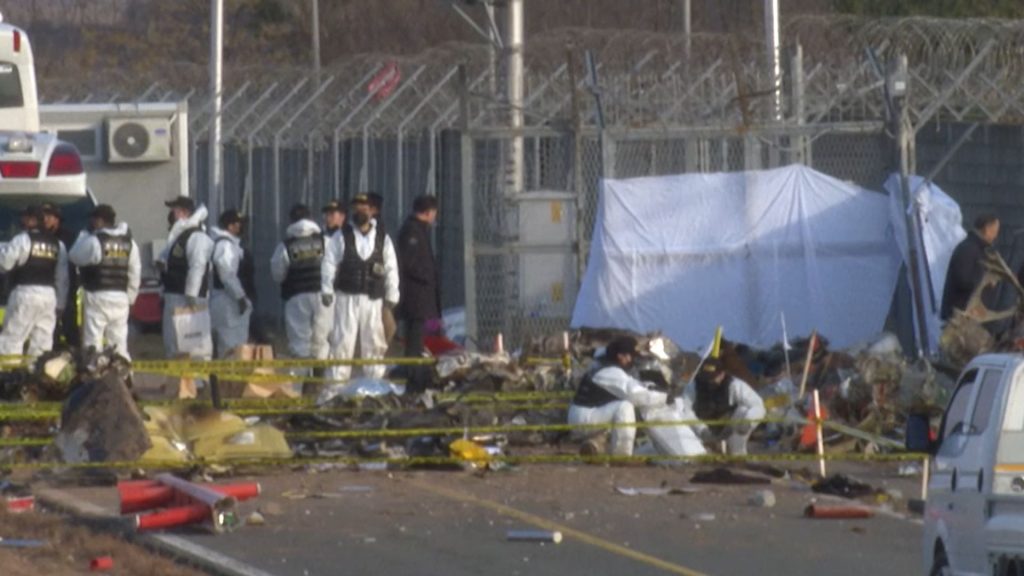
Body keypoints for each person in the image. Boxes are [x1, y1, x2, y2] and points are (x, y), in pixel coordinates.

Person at [568, 337, 705, 457]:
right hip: (584, 418)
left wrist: (653, 388)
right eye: (630, 356)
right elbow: (634, 394)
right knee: (624, 407)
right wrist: (664, 397)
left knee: (631, 406)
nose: (632, 359)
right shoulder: (608, 371)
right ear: (620, 356)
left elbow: (634, 385)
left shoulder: (607, 365)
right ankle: (621, 457)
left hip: (594, 413)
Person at [320, 194, 399, 390]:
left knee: (374, 343)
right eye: (356, 209)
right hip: (347, 297)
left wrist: (392, 295)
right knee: (342, 343)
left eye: (364, 208)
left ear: (372, 211)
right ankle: (334, 390)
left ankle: (375, 389)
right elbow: (329, 262)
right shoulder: (342, 236)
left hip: (373, 300)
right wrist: (327, 288)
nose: (360, 212)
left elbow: (391, 268)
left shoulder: (383, 239)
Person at [68, 204, 141, 359]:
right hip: (121, 297)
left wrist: (84, 235)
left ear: (100, 220)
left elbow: (74, 256)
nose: (91, 223)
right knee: (119, 342)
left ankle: (95, 377)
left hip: (97, 296)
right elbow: (135, 272)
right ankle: (123, 376)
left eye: (93, 220)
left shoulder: (95, 241)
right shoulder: (130, 243)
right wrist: (131, 298)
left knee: (93, 342)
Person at [0, 205, 68, 360]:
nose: (21, 220)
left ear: (32, 220)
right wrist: (61, 304)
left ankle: (9, 377)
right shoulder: (57, 244)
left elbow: (4, 264)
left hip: (25, 293)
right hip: (49, 297)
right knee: (42, 343)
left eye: (24, 217)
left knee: (12, 339)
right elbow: (62, 278)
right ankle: (38, 379)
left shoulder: (22, 240)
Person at [271, 204, 332, 363]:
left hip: (296, 296)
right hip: (323, 296)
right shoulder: (326, 241)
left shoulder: (285, 246)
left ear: (291, 221)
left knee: (299, 343)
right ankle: (320, 382)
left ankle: (300, 385)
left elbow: (277, 274)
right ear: (311, 219)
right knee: (322, 341)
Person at [156, 196, 213, 358]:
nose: (172, 214)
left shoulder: (197, 237)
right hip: (174, 294)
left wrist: (191, 295)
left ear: (185, 212)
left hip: (188, 299)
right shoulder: (179, 237)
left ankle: (198, 381)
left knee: (194, 345)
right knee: (174, 342)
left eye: (175, 210)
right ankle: (178, 381)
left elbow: (197, 266)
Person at [396, 195, 440, 393]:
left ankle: (418, 379)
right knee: (414, 343)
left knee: (423, 341)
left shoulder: (420, 231)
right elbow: (411, 263)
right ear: (429, 212)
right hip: (416, 301)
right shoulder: (412, 232)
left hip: (423, 302)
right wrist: (427, 276)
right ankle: (412, 383)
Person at [683, 358, 766, 455]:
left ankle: (736, 453)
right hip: (702, 428)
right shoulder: (693, 387)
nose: (709, 381)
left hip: (728, 428)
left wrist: (748, 422)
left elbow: (757, 404)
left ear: (722, 374)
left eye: (712, 377)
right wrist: (701, 430)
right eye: (706, 377)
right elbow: (685, 410)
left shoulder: (735, 385)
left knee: (744, 410)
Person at [209, 209, 254, 357]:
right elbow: (226, 273)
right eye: (238, 224)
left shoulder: (225, 244)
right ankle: (229, 380)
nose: (242, 227)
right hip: (228, 302)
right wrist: (240, 297)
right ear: (230, 226)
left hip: (225, 300)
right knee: (232, 346)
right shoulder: (226, 245)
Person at [942, 214, 999, 321]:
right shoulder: (968, 249)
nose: (996, 236)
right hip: (958, 314)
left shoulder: (978, 250)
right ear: (986, 229)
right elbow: (963, 280)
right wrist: (986, 280)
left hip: (969, 314)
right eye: (995, 231)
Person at [41, 203, 80, 348]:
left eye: (49, 216)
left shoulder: (68, 237)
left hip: (68, 288)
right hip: (46, 288)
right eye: (43, 216)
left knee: (70, 325)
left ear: (57, 219)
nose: (45, 219)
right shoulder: (39, 236)